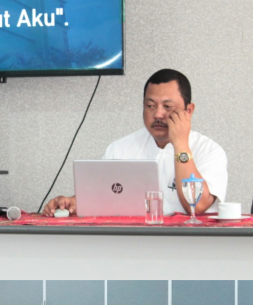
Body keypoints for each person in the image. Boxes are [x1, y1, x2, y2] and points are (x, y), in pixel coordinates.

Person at [43, 69, 227, 218]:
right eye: (150, 106)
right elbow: (103, 195)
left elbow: (198, 205)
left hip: (192, 248)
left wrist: (180, 145)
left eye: (168, 107)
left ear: (188, 110)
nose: (158, 114)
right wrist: (74, 202)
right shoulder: (121, 148)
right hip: (133, 246)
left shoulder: (209, 150)